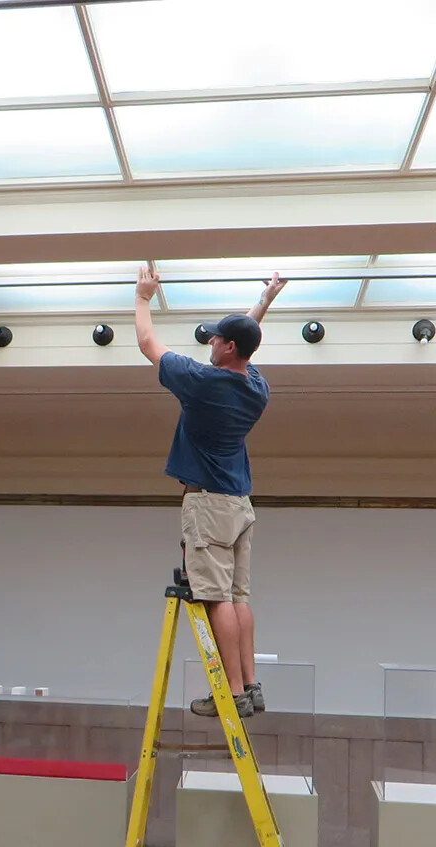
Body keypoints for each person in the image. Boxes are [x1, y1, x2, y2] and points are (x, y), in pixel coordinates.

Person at [134, 265, 286, 718]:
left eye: (217, 338)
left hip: (208, 505)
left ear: (229, 346)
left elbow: (147, 344)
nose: (210, 342)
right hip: (241, 504)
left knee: (216, 598)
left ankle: (232, 694)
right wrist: (265, 302)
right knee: (239, 598)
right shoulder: (257, 387)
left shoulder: (200, 384)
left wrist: (143, 297)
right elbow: (246, 335)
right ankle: (252, 685)